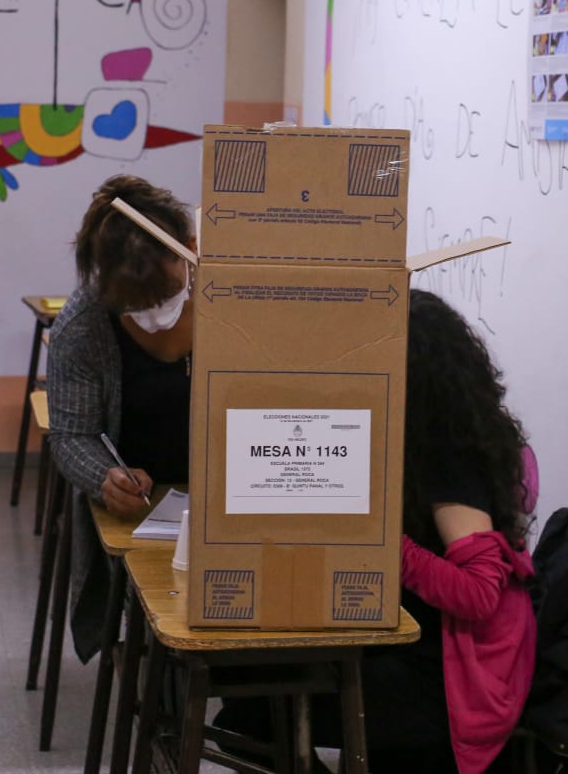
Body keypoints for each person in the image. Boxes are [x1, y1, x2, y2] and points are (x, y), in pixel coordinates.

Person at [215, 290, 538, 773]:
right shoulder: (415, 441)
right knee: (248, 698)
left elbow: (478, 593)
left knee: (251, 710)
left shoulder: (449, 458)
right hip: (403, 645)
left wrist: (377, 539)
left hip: (441, 677)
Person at [46, 175, 195, 663]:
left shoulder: (236, 296)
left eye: (161, 294)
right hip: (144, 511)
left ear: (190, 250)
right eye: (134, 303)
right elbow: (72, 434)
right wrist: (104, 476)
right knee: (161, 634)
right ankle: (168, 718)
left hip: (229, 495)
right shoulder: (85, 322)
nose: (153, 313)